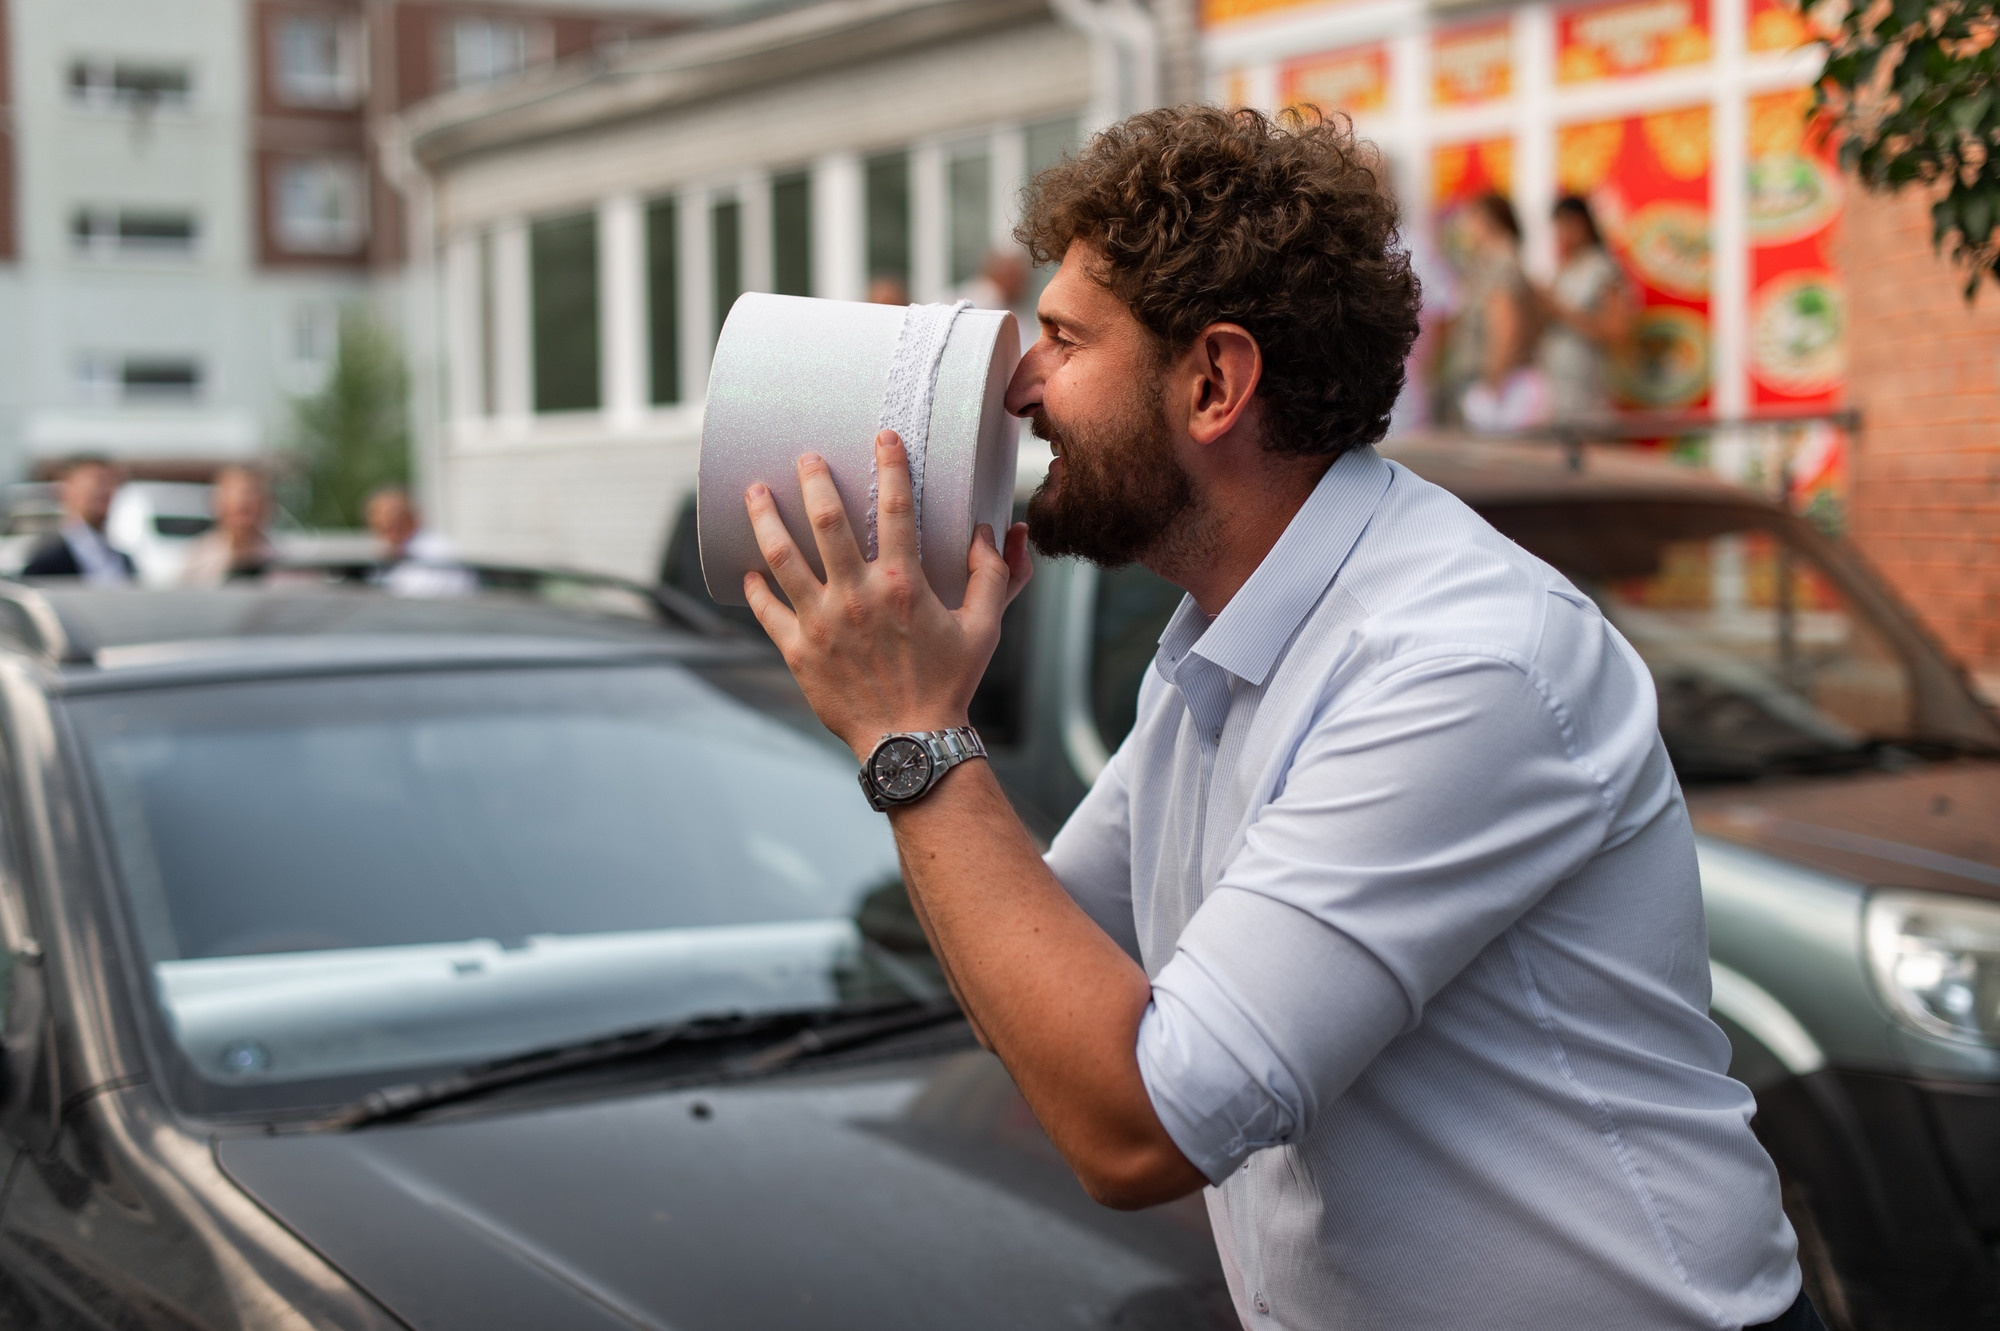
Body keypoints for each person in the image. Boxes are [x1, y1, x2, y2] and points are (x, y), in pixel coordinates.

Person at [738, 107, 1819, 1329]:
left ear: (1212, 383)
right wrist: (916, 699)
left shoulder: (1457, 662)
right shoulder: (1224, 634)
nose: (1022, 383)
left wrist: (912, 733)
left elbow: (1135, 1128)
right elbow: (1040, 966)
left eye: (1061, 338)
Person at [1440, 193, 1544, 431]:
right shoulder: (1488, 264)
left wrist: (1491, 388)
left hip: (1497, 388)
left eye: (1470, 219)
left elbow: (1506, 328)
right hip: (1490, 384)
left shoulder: (1501, 263)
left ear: (1487, 220)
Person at [1537, 195, 1637, 422]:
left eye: (1567, 223)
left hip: (1588, 385)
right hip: (1556, 386)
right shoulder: (1565, 266)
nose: (1562, 232)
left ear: (1584, 223)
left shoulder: (1602, 268)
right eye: (1558, 225)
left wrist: (1562, 312)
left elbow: (1617, 329)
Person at [23, 455, 134, 583]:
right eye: (97, 482)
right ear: (66, 488)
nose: (106, 490)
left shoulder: (121, 559)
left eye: (112, 482)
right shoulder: (45, 559)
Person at [364, 485, 474, 598]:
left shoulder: (435, 550)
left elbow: (413, 595)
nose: (381, 521)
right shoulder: (398, 552)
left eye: (391, 516)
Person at [179, 465, 276, 587]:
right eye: (239, 511)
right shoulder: (199, 559)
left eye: (249, 509)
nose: (243, 521)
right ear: (218, 506)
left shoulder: (282, 560)